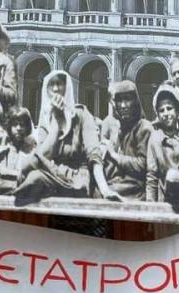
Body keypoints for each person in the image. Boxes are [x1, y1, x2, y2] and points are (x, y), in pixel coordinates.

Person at [14, 70, 119, 205]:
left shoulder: (81, 115)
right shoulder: (45, 121)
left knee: (34, 179)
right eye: (51, 85)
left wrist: (105, 189)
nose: (56, 89)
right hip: (51, 175)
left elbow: (94, 154)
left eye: (59, 84)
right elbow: (43, 157)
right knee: (29, 176)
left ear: (67, 87)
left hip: (77, 179)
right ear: (46, 90)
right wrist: (56, 122)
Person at [146, 84, 179, 214]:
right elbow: (152, 177)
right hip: (167, 202)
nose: (166, 113)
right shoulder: (155, 139)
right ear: (158, 115)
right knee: (171, 176)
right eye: (161, 110)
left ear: (177, 112)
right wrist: (150, 209)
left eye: (169, 108)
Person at [100, 80, 153, 203]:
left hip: (135, 189)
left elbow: (143, 165)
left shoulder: (144, 127)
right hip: (118, 182)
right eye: (119, 101)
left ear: (135, 102)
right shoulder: (121, 128)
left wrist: (113, 155)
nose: (123, 105)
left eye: (127, 100)